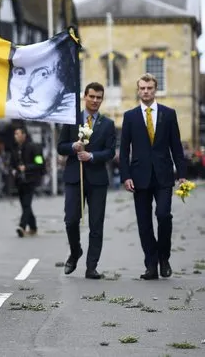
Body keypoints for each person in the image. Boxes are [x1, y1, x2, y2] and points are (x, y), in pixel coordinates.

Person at [119, 73, 186, 280]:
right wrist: (125, 176)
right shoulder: (129, 117)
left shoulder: (169, 114)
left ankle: (164, 258)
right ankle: (151, 264)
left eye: (149, 88)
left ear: (155, 89)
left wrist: (182, 174)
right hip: (139, 177)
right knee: (144, 222)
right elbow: (123, 150)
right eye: (142, 88)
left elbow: (176, 146)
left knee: (164, 215)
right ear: (138, 90)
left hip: (164, 175)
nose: (146, 91)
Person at [57, 82, 116, 279]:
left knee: (96, 224)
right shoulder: (71, 119)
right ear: (85, 96)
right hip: (75, 177)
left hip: (98, 180)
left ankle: (92, 266)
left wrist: (92, 157)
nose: (95, 101)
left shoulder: (107, 124)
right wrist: (72, 147)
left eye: (99, 97)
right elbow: (60, 146)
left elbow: (110, 151)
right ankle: (75, 252)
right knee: (71, 220)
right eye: (92, 96)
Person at [5, 33, 79, 123]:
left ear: (63, 82)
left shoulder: (77, 117)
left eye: (43, 74)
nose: (26, 89)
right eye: (20, 73)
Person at [9, 127, 44, 237]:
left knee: (27, 203)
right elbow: (11, 164)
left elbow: (40, 163)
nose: (16, 136)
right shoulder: (15, 149)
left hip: (30, 179)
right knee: (25, 205)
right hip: (19, 180)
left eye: (18, 133)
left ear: (24, 135)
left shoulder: (34, 147)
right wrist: (13, 170)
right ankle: (33, 227)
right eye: (15, 134)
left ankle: (22, 226)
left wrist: (27, 167)